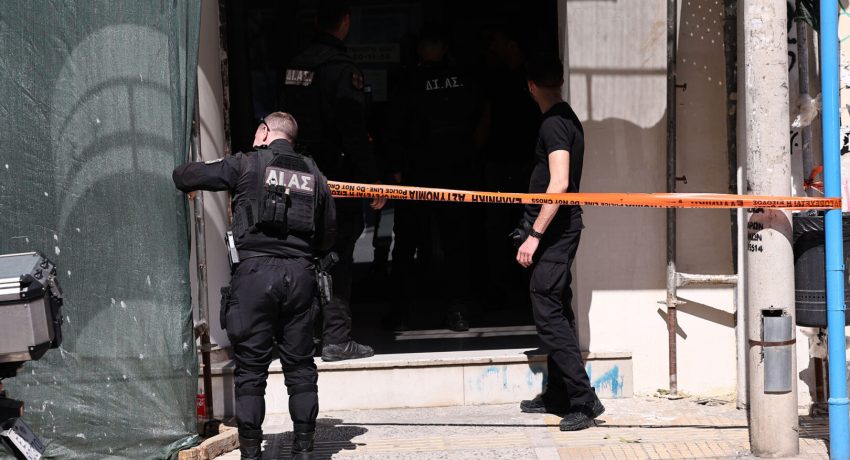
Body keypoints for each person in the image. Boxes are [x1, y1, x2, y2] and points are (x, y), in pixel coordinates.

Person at [173, 112, 335, 459]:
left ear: (264, 131)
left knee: (250, 372)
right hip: (300, 276)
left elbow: (186, 176)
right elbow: (328, 233)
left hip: (254, 277)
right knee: (301, 368)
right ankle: (305, 450)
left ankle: (251, 453)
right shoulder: (314, 172)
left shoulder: (245, 163)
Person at [282, 0, 385, 361]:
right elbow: (353, 130)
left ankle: (301, 337)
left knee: (302, 256)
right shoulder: (341, 70)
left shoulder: (295, 66)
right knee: (337, 256)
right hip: (336, 180)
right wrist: (372, 180)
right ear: (345, 21)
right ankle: (336, 337)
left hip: (297, 177)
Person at [514, 55, 605, 431]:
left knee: (547, 309)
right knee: (559, 309)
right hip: (559, 230)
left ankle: (584, 399)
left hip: (555, 232)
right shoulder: (566, 118)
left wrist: (534, 235)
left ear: (531, 86)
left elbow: (560, 182)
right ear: (561, 82)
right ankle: (558, 393)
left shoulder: (553, 123)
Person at [385, 24, 484, 331]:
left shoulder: (408, 81)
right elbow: (481, 116)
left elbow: (392, 127)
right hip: (454, 174)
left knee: (407, 245)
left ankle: (398, 313)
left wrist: (394, 167)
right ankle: (457, 310)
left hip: (419, 174)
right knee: (455, 244)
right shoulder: (463, 79)